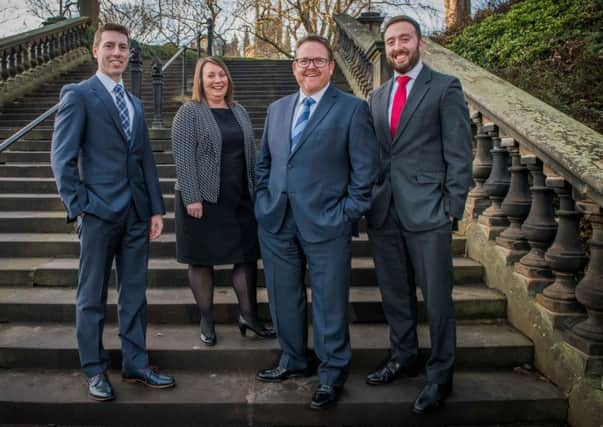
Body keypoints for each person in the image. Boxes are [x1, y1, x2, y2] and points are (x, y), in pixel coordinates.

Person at [51, 23, 175, 401]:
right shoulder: (79, 95)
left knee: (134, 295)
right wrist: (82, 206)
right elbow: (62, 159)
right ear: (95, 50)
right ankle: (94, 369)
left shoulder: (134, 101)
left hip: (137, 214)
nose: (117, 52)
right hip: (99, 215)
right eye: (110, 46)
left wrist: (155, 208)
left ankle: (136, 365)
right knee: (91, 296)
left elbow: (145, 161)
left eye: (123, 47)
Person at [254, 35, 378, 410]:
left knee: (329, 302)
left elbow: (365, 172)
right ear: (294, 67)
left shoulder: (353, 110)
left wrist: (346, 213)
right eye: (303, 60)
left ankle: (332, 372)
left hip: (328, 223)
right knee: (283, 298)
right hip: (277, 221)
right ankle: (293, 359)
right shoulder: (277, 109)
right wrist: (263, 201)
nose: (309, 66)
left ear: (330, 66)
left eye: (317, 61)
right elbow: (265, 164)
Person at [364, 15, 473, 413]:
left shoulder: (444, 88)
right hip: (385, 212)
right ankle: (404, 355)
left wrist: (452, 208)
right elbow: (376, 154)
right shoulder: (376, 97)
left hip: (429, 212)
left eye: (404, 39)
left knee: (438, 301)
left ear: (419, 43)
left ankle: (440, 374)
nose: (397, 47)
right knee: (395, 295)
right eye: (391, 41)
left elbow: (460, 154)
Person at [171, 57, 275, 347]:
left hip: (239, 197)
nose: (217, 80)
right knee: (201, 260)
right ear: (200, 81)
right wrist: (192, 196)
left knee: (245, 257)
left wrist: (258, 190)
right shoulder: (188, 112)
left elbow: (250, 153)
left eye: (221, 74)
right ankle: (207, 319)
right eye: (210, 76)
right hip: (202, 200)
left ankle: (249, 317)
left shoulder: (238, 110)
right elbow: (183, 157)